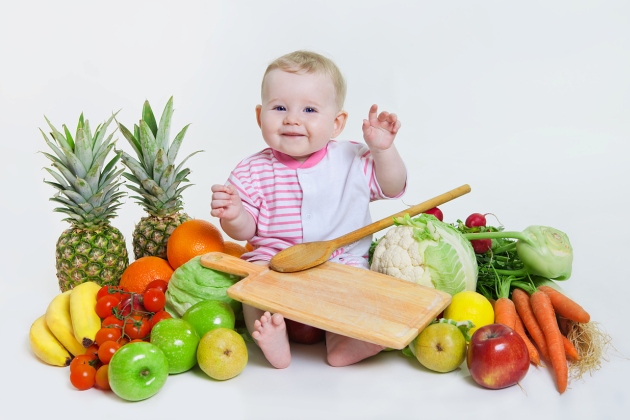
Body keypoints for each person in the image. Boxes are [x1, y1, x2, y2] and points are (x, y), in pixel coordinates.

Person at [211, 50, 407, 369]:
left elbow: (393, 187)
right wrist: (233, 215)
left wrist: (383, 151)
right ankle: (274, 337)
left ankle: (345, 342)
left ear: (337, 123)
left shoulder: (352, 160)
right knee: (253, 290)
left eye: (309, 109)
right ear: (260, 116)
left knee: (360, 296)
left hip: (342, 262)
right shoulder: (251, 172)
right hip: (276, 261)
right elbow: (246, 231)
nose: (292, 118)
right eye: (279, 107)